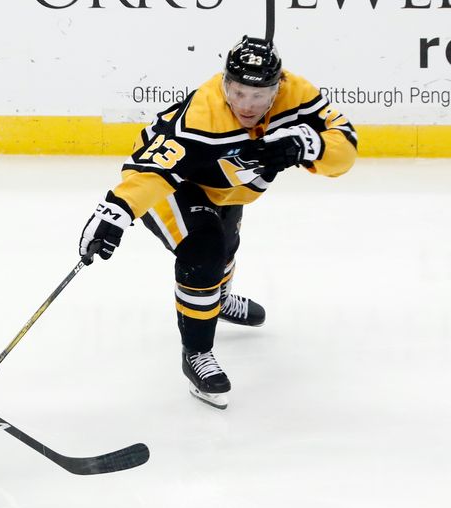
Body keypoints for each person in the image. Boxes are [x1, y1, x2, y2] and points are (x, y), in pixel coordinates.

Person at [79, 36, 357, 409]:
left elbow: (345, 148)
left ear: (279, 87)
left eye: (259, 95)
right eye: (239, 92)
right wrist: (117, 210)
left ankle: (218, 301)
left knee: (225, 242)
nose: (248, 105)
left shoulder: (298, 94)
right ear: (226, 82)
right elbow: (153, 173)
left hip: (227, 189)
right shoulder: (202, 115)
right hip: (171, 187)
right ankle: (196, 353)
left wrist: (306, 146)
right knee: (203, 252)